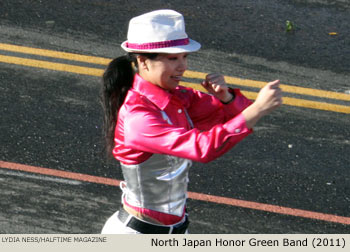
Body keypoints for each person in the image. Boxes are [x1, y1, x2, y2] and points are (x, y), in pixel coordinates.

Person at [100, 9, 282, 234]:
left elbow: (234, 118)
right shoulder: (138, 116)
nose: (183, 66)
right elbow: (203, 148)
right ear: (143, 62)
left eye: (185, 57)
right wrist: (258, 108)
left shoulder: (180, 97)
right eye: (173, 59)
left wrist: (227, 97)